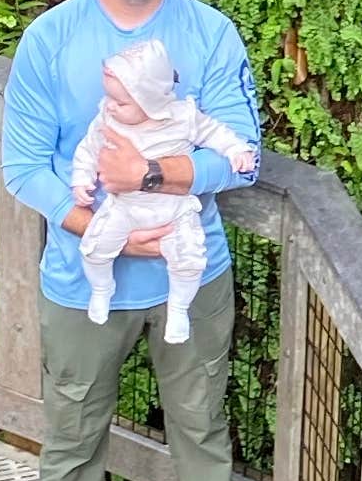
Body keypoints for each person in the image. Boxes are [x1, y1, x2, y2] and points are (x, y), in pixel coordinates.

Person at [0, 0, 273, 481]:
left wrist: (152, 177)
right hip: (83, 276)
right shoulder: (52, 39)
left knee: (200, 417)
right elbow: (26, 168)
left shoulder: (210, 34)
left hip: (194, 270)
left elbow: (242, 157)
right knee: (74, 424)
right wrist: (103, 227)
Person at [71, 34, 256, 335]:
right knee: (94, 248)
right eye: (109, 98)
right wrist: (81, 177)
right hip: (125, 206)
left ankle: (179, 310)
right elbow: (88, 149)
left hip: (173, 209)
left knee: (189, 260)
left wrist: (236, 149)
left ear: (150, 100)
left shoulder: (182, 117)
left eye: (120, 101)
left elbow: (214, 132)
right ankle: (102, 289)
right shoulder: (108, 118)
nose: (110, 106)